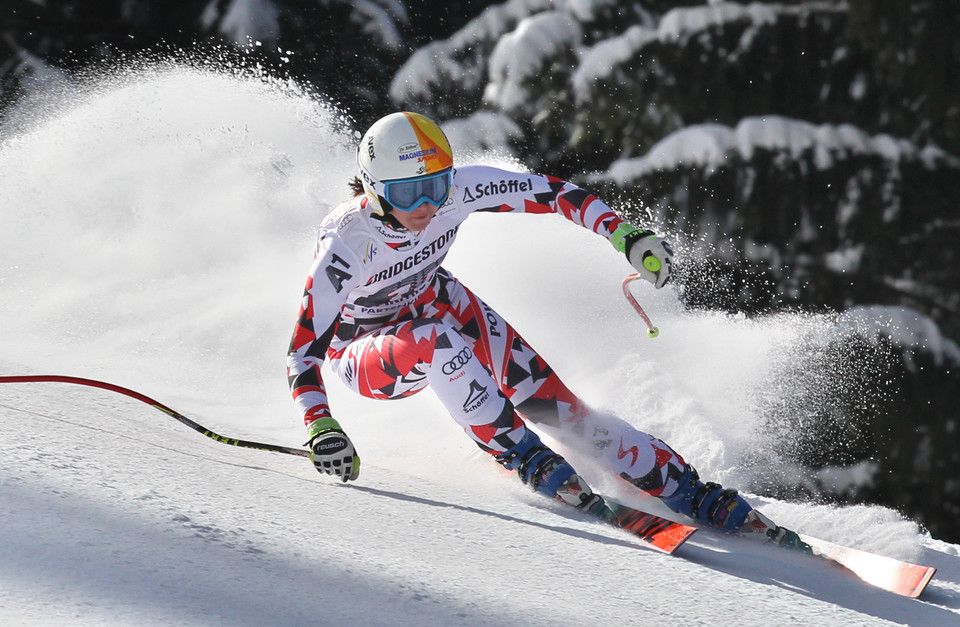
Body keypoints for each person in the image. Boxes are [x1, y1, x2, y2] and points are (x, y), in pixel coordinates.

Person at [287, 111, 802, 544]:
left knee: (554, 405)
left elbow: (553, 194)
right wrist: (321, 426)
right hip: (363, 352)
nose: (426, 206)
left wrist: (625, 236)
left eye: (436, 187)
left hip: (433, 301)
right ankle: (523, 454)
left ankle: (688, 490)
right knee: (436, 341)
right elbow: (303, 352)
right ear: (375, 190)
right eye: (409, 194)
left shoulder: (459, 190)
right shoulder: (347, 243)